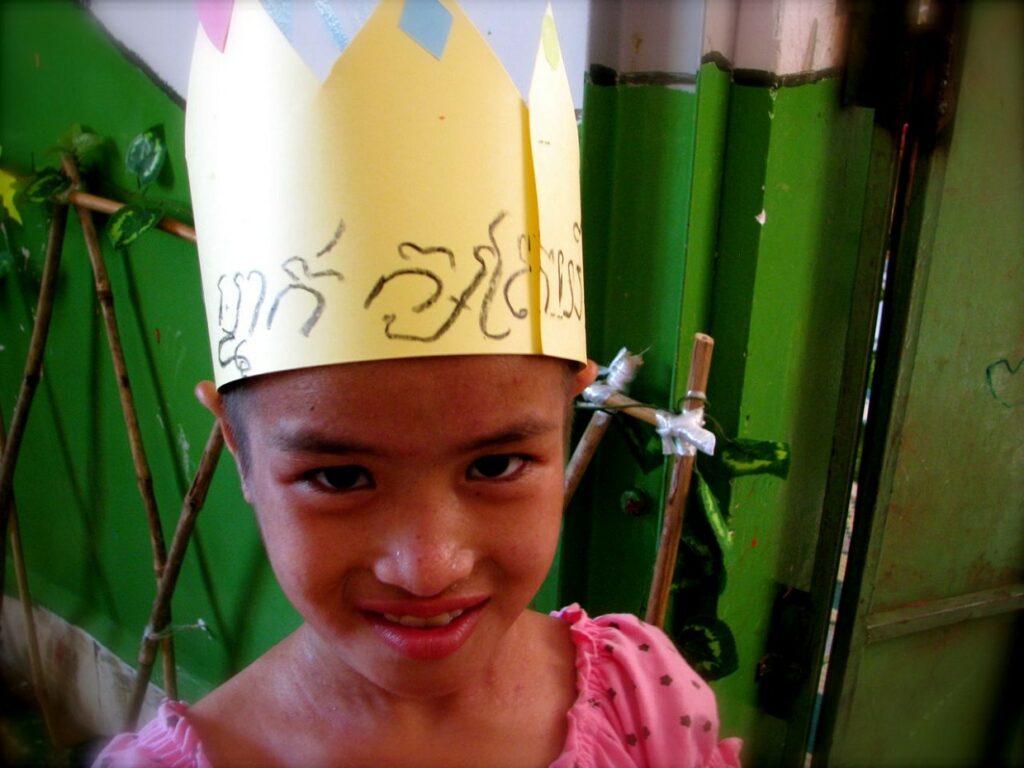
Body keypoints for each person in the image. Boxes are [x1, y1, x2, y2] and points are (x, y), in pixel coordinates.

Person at [94, 2, 741, 766]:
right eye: (340, 476)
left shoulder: (647, 701)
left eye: (495, 465)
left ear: (569, 411)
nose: (429, 567)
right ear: (238, 449)